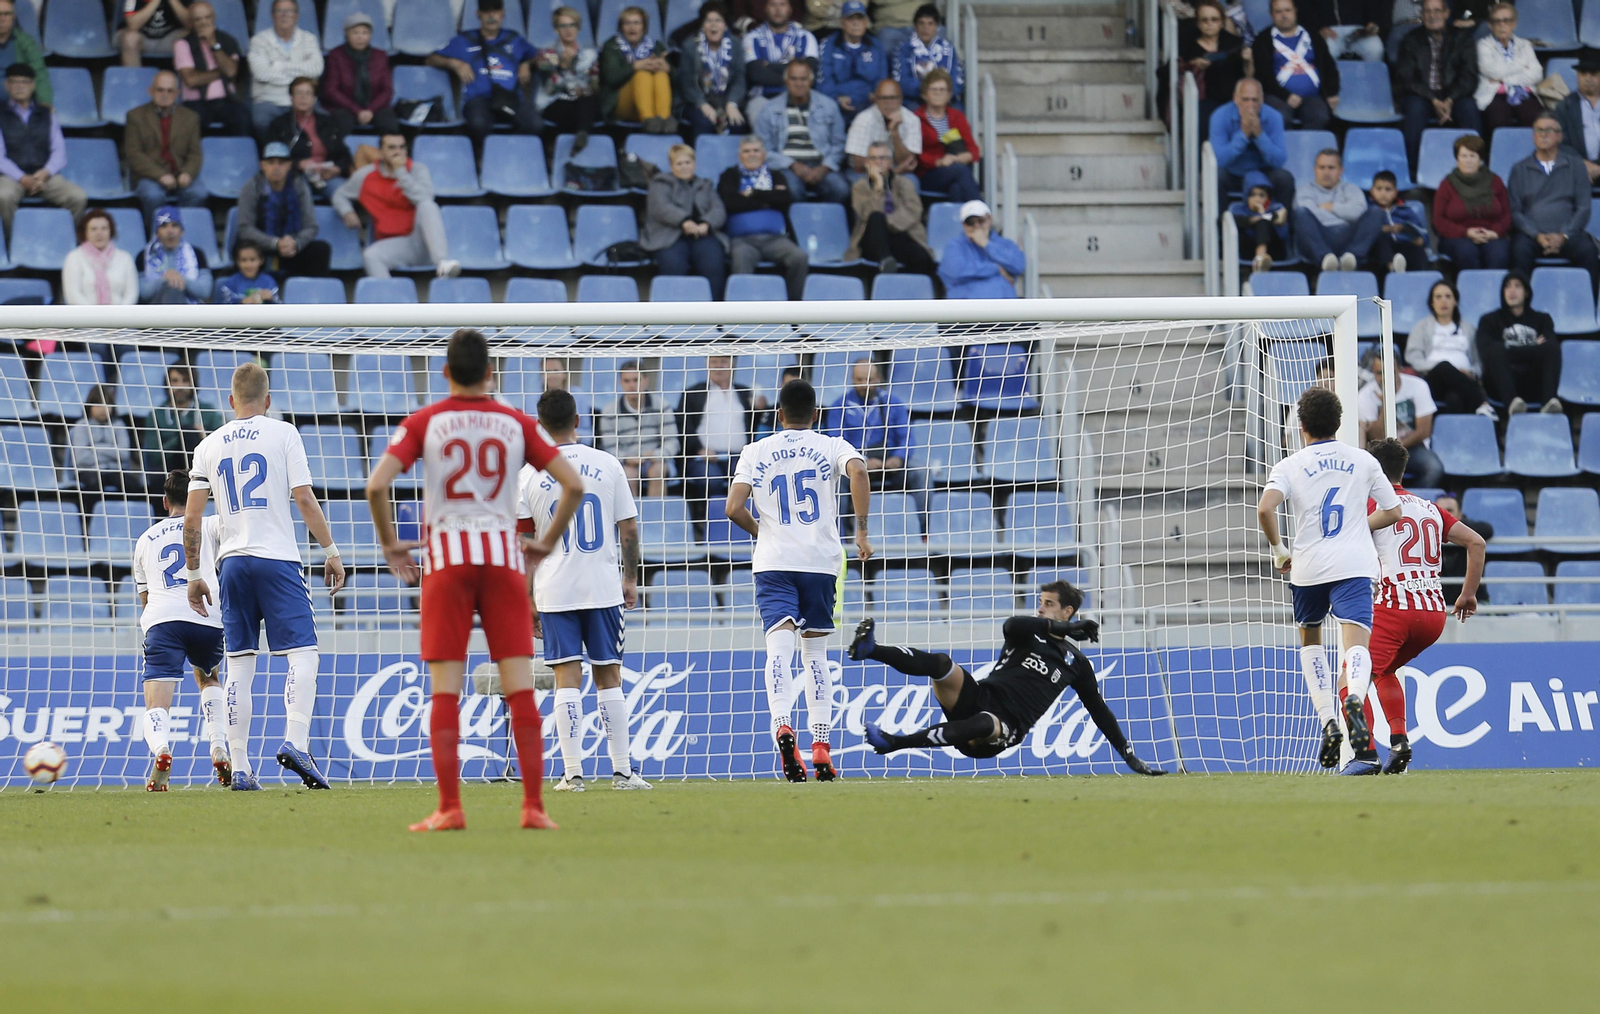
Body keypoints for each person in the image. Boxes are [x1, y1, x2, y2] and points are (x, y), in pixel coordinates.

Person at [366, 328, 584, 831]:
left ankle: (450, 808)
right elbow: (572, 484)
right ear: (490, 373)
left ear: (445, 372)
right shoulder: (516, 423)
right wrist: (545, 543)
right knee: (520, 688)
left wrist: (390, 544)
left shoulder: (426, 421)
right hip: (503, 562)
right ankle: (533, 808)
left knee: (445, 690)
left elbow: (377, 485)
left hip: (447, 563)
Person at [184, 362, 346, 791]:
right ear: (268, 400)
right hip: (276, 559)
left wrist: (195, 573)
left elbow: (193, 518)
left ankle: (240, 767)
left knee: (239, 663)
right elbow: (304, 498)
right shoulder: (283, 433)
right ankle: (295, 742)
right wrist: (330, 551)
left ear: (231, 400)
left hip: (231, 563)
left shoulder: (208, 445)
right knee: (304, 653)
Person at [853, 582, 1165, 773]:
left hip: (1005, 727)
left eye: (1049, 604)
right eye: (1040, 603)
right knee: (942, 664)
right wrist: (1066, 628)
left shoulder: (1077, 663)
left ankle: (895, 743)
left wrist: (1128, 755)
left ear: (1067, 610)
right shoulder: (1026, 634)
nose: (1040, 609)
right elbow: (1013, 624)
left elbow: (1099, 710)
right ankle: (871, 649)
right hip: (980, 697)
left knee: (985, 723)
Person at [726, 377, 871, 782]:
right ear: (817, 414)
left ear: (778, 414)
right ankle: (821, 745)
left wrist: (763, 533)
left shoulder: (756, 450)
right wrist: (861, 533)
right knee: (815, 655)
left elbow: (732, 508)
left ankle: (782, 726)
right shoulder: (832, 445)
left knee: (779, 648)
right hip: (820, 562)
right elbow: (859, 471)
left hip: (774, 561)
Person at [1256, 385, 1403, 769]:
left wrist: (1279, 550)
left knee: (1311, 641)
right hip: (1353, 564)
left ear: (1302, 426)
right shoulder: (1363, 460)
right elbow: (1394, 511)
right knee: (1356, 644)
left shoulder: (1289, 465)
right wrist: (1358, 527)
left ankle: (1328, 721)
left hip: (1308, 567)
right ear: (1339, 423)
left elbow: (1265, 509)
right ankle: (1353, 695)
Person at [517, 389, 651, 793]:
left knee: (566, 679)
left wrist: (526, 598)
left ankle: (572, 774)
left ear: (540, 427)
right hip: (602, 587)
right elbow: (628, 528)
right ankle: (623, 772)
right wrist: (631, 579)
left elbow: (522, 543)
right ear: (578, 421)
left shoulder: (528, 474)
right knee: (609, 676)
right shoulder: (608, 464)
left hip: (554, 590)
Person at [1359, 438, 1484, 775]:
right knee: (1383, 671)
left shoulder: (1373, 505)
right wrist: (1468, 594)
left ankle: (1363, 755)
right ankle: (1399, 741)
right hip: (1433, 615)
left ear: (1373, 472)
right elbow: (1476, 542)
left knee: (1350, 677)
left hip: (1395, 607)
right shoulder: (1430, 507)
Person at [132, 470, 230, 790]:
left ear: (165, 502)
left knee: (156, 704)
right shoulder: (210, 524)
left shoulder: (145, 540)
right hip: (206, 615)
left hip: (163, 620)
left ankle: (162, 750)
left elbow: (145, 598)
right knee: (209, 678)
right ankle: (218, 746)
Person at [333, 132, 461, 279]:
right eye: (392, 147)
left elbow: (425, 198)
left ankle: (442, 263)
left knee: (427, 206)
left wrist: (401, 172)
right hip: (394, 244)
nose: (398, 151)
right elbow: (340, 194)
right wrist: (347, 211)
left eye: (402, 147)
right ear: (380, 152)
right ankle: (388, 292)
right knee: (370, 255)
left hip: (424, 241)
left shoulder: (417, 170)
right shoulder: (365, 175)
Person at [430, 0, 541, 151]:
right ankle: (486, 157)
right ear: (478, 14)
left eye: (495, 11)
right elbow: (431, 59)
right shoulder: (465, 40)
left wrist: (527, 63)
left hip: (511, 99)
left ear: (502, 14)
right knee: (478, 123)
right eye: (486, 12)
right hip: (478, 100)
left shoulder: (514, 39)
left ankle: (514, 154)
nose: (491, 16)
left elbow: (540, 57)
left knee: (534, 123)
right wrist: (454, 63)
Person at [1506, 113, 1600, 290]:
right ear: (1533, 136)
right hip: (1531, 236)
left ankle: (1589, 304)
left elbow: (1583, 208)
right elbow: (1515, 211)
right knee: (1518, 251)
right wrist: (1536, 235)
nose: (1543, 135)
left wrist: (1563, 236)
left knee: (1588, 251)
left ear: (1559, 136)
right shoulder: (1519, 169)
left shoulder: (1576, 166)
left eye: (1549, 130)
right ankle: (1521, 306)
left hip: (1568, 234)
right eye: (1539, 130)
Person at [0, 63, 85, 241]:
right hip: (11, 177)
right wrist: (22, 177)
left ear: (33, 85)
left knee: (78, 197)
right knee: (3, 196)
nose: (20, 86)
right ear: (6, 85)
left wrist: (45, 172)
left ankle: (64, 243)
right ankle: (13, 244)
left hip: (45, 176)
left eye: (25, 82)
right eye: (14, 82)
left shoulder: (46, 113)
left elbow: (59, 151)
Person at [718, 134, 809, 299]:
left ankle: (794, 307)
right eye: (746, 151)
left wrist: (751, 193)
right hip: (743, 241)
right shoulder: (729, 175)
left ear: (764, 154)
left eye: (756, 150)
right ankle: (741, 311)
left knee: (799, 257)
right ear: (739, 155)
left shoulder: (776, 175)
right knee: (740, 260)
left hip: (776, 239)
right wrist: (767, 200)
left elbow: (784, 199)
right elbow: (729, 202)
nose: (751, 154)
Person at [1394, 0, 1480, 171]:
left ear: (1446, 13)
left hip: (1453, 95)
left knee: (1469, 108)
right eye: (1427, 11)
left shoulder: (1462, 39)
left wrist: (1450, 99)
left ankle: (1473, 168)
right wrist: (1433, 99)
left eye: (1437, 11)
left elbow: (1469, 76)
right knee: (1415, 109)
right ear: (1422, 15)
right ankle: (1412, 170)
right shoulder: (1411, 40)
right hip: (1422, 95)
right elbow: (1406, 78)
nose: (1432, 16)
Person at [754, 60, 849, 202]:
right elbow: (763, 150)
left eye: (803, 79)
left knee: (841, 189)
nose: (799, 84)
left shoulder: (829, 106)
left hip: (822, 166)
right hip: (786, 167)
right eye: (794, 79)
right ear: (786, 81)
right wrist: (792, 165)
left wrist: (824, 168)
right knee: (792, 190)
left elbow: (839, 144)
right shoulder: (769, 110)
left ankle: (822, 216)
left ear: (811, 81)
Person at [825, 359, 919, 500]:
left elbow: (907, 437)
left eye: (869, 380)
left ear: (878, 378)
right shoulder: (839, 406)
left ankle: (926, 515)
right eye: (860, 380)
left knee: (920, 472)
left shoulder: (893, 402)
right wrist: (861, 460)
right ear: (852, 379)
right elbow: (837, 443)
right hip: (855, 464)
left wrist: (898, 457)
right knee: (836, 477)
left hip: (890, 462)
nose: (865, 384)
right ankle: (840, 516)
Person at [644, 143, 729, 299]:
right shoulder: (660, 183)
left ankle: (715, 311)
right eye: (679, 163)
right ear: (671, 166)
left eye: (687, 162)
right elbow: (661, 207)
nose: (684, 167)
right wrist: (684, 221)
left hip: (703, 235)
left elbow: (718, 210)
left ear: (694, 163)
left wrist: (706, 224)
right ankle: (675, 312)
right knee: (674, 266)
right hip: (670, 237)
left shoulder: (706, 185)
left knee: (713, 264)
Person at [125, 70, 209, 227]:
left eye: (170, 91)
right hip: (149, 176)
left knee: (198, 193)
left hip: (180, 173)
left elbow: (195, 153)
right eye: (160, 90)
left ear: (177, 93)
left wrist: (188, 173)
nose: (165, 94)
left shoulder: (191, 117)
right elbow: (134, 154)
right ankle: (155, 234)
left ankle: (182, 233)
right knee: (153, 195)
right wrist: (160, 175)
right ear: (151, 91)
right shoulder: (135, 116)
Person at [677, 355, 756, 520]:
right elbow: (684, 426)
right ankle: (710, 520)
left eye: (723, 362)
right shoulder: (693, 393)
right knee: (710, 479)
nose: (718, 366)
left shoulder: (744, 392)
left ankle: (743, 521)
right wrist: (700, 449)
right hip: (703, 457)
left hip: (739, 456)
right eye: (714, 362)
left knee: (748, 478)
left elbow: (754, 425)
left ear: (732, 365)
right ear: (707, 365)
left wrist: (760, 408)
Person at [237, 140, 331, 278]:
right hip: (262, 246)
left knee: (321, 249)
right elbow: (245, 228)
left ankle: (311, 290)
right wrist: (275, 243)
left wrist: (296, 243)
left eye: (281, 163)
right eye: (271, 163)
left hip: (292, 246)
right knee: (242, 249)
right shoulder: (251, 187)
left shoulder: (299, 186)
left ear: (289, 165)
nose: (276, 167)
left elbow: (311, 227)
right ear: (262, 165)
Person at [1474, 271, 1562, 416]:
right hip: (1500, 386)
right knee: (1495, 350)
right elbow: (1486, 352)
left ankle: (1549, 402)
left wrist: (1508, 349)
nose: (1512, 291)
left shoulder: (1543, 319)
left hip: (1533, 383)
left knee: (1552, 347)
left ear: (1526, 292)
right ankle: (1512, 405)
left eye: (1517, 286)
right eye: (1507, 286)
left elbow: (1550, 349)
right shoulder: (1488, 320)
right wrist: (1533, 347)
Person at [1405, 278, 1494, 417]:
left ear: (1455, 301)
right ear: (1432, 302)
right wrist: (1439, 367)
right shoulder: (1421, 327)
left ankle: (1458, 431)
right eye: (1438, 297)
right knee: (1444, 366)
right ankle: (1482, 402)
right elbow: (1413, 358)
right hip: (1432, 380)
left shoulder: (1469, 329)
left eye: (1448, 296)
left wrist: (1471, 373)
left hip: (1462, 381)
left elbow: (1478, 363)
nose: (1443, 301)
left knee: (1454, 398)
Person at [1358, 350, 1443, 488]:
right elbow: (1376, 437)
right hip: (1382, 450)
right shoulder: (1365, 396)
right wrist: (1386, 402)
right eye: (1380, 373)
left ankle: (1414, 499)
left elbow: (1424, 431)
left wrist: (1398, 447)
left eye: (1390, 372)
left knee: (1434, 468)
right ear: (1373, 373)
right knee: (1370, 473)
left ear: (1400, 369)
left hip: (1413, 446)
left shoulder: (1418, 386)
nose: (1385, 377)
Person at [1251, 0, 1340, 131]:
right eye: (1278, 11)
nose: (1284, 15)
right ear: (1271, 14)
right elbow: (1263, 75)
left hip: (1313, 96)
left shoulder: (1312, 35)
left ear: (1295, 11)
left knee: (1320, 116)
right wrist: (1286, 96)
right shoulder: (1263, 40)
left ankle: (1309, 145)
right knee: (1280, 117)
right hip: (1278, 96)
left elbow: (1329, 66)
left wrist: (1332, 92)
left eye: (1288, 10)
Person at [847, 140, 933, 274]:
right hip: (871, 240)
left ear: (891, 162)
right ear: (867, 162)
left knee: (922, 257)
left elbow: (913, 211)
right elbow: (866, 215)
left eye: (882, 158)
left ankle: (907, 282)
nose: (878, 162)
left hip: (900, 235)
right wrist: (878, 189)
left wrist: (887, 222)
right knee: (876, 217)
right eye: (873, 158)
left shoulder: (905, 183)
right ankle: (886, 261)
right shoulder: (859, 187)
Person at [596, 360, 678, 498]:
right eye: (627, 381)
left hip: (656, 460)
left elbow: (673, 442)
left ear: (646, 380)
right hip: (625, 462)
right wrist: (627, 458)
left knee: (657, 471)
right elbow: (609, 447)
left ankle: (655, 511)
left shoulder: (662, 406)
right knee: (627, 474)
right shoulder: (609, 411)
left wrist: (657, 454)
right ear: (620, 383)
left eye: (636, 380)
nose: (632, 385)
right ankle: (632, 513)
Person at [1293, 148, 1383, 273]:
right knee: (1301, 213)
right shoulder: (1304, 190)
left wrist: (1332, 207)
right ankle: (1325, 259)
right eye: (1322, 167)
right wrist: (1345, 212)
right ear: (1315, 170)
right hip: (1319, 235)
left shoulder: (1352, 188)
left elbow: (1358, 212)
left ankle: (1351, 258)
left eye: (1331, 168)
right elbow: (1309, 215)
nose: (1326, 172)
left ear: (1341, 170)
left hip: (1349, 235)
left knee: (1376, 212)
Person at [1210, 78, 1295, 208]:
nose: (1251, 105)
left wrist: (1259, 135)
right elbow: (1219, 160)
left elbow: (1279, 160)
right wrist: (1243, 135)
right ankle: (1220, 220)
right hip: (1233, 173)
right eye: (1245, 99)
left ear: (1262, 99)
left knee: (1285, 178)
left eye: (1255, 100)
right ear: (1235, 98)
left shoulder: (1274, 117)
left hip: (1263, 173)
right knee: (1215, 177)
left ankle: (1283, 220)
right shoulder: (1220, 116)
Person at [1431, 133, 1509, 271]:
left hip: (1491, 234)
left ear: (1480, 159)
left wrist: (1495, 232)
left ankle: (1494, 285)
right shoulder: (1447, 185)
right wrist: (1466, 232)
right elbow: (1439, 220)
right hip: (1456, 237)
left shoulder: (1495, 181)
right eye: (1464, 156)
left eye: (1473, 156)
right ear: (1457, 159)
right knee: (1466, 252)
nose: (1468, 160)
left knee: (1499, 253)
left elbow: (1506, 214)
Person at [173, 1, 251, 137]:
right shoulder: (182, 44)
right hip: (195, 102)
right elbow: (191, 80)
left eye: (207, 17)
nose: (204, 22)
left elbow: (231, 72)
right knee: (190, 122)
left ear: (213, 18)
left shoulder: (228, 41)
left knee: (243, 117)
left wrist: (213, 43)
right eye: (198, 19)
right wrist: (221, 72)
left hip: (226, 100)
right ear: (191, 22)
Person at [247, 0, 323, 138]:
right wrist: (299, 75)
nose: (284, 15)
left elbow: (316, 69)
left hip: (303, 98)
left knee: (325, 121)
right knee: (261, 121)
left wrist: (277, 65)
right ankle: (273, 151)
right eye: (279, 11)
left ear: (296, 16)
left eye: (289, 11)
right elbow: (261, 73)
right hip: (269, 100)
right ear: (272, 15)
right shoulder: (258, 40)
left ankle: (302, 151)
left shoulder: (309, 39)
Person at [267, 76, 353, 196]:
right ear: (291, 97)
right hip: (297, 175)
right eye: (298, 93)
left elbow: (344, 155)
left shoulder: (328, 122)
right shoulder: (279, 125)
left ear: (314, 98)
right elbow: (272, 159)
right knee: (300, 192)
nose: (303, 97)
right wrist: (299, 164)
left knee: (344, 193)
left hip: (326, 175)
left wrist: (337, 169)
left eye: (308, 93)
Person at [1178, 0, 1248, 144]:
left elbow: (1247, 76)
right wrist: (1193, 66)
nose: (1209, 24)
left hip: (1234, 99)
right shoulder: (1188, 48)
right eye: (1204, 20)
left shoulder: (1235, 44)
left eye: (1214, 19)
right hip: (1203, 100)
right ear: (1198, 23)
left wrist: (1249, 61)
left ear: (1222, 22)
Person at [321, 11, 399, 140]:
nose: (360, 37)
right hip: (344, 107)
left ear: (370, 35)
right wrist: (357, 110)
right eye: (355, 33)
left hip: (374, 107)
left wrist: (370, 110)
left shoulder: (380, 56)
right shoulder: (336, 55)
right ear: (346, 34)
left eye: (365, 33)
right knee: (342, 122)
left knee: (389, 123)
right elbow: (331, 90)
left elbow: (387, 90)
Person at [677, 2, 747, 139]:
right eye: (708, 21)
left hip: (725, 100)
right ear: (702, 25)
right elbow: (686, 84)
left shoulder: (735, 44)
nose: (713, 25)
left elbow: (740, 79)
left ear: (725, 25)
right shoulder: (690, 46)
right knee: (705, 122)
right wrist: (702, 105)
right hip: (694, 102)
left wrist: (732, 103)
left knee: (737, 123)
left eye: (718, 20)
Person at [599, 5, 673, 132]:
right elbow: (611, 79)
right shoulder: (611, 46)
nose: (632, 27)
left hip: (654, 104)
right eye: (627, 23)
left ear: (644, 26)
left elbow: (679, 82)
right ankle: (649, 121)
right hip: (622, 104)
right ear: (621, 27)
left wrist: (668, 69)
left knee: (661, 74)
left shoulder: (657, 46)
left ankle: (664, 119)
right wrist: (635, 66)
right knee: (641, 74)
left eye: (636, 23)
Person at [743, 0, 819, 122]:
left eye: (782, 4)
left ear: (790, 9)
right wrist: (794, 72)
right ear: (766, 8)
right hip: (764, 98)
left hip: (800, 97)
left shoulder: (805, 37)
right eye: (773, 4)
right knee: (757, 111)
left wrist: (770, 66)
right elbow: (756, 74)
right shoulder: (752, 38)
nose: (778, 9)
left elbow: (809, 70)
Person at [1473, 2, 1541, 136]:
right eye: (1497, 21)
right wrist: (1522, 66)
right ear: (1490, 25)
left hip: (1523, 93)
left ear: (1514, 24)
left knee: (1533, 118)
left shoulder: (1525, 45)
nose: (1502, 25)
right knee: (1498, 121)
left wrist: (1503, 79)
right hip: (1495, 94)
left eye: (1507, 20)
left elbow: (1537, 73)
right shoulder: (1483, 45)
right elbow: (1492, 71)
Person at [144, 363, 222, 479]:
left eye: (185, 381)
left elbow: (221, 448)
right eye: (175, 381)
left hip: (201, 472)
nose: (180, 386)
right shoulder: (156, 415)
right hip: (168, 475)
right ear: (167, 384)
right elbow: (153, 456)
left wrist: (204, 438)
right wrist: (180, 436)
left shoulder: (207, 411)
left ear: (193, 383)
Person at [535, 6, 600, 140]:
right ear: (556, 29)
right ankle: (582, 134)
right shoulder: (547, 54)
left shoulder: (590, 54)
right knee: (580, 109)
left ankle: (581, 136)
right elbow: (549, 90)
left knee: (589, 101)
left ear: (578, 27)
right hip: (555, 102)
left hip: (583, 103)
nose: (568, 30)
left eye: (572, 25)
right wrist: (563, 66)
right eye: (563, 26)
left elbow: (596, 85)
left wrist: (585, 90)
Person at [939, 199, 1025, 298]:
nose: (976, 226)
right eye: (970, 222)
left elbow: (1018, 265)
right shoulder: (954, 246)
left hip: (1002, 303)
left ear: (989, 219)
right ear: (964, 225)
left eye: (981, 220)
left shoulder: (1005, 244)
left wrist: (986, 244)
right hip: (967, 303)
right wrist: (997, 269)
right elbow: (955, 272)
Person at [913, 68, 977, 201]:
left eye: (942, 90)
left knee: (957, 188)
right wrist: (939, 162)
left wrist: (959, 158)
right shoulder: (916, 118)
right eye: (933, 90)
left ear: (949, 95)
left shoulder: (957, 117)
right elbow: (916, 154)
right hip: (928, 174)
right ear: (924, 94)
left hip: (955, 169)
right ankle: (982, 211)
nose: (938, 93)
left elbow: (974, 151)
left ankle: (967, 215)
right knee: (961, 171)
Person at [818, 1, 886, 124]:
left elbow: (882, 77)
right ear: (842, 23)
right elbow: (823, 80)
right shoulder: (829, 45)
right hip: (837, 104)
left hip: (869, 103)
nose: (856, 23)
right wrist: (838, 99)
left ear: (866, 22)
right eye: (850, 19)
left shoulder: (876, 45)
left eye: (860, 18)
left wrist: (876, 94)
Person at [68, 385, 140, 493]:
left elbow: (124, 454)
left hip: (116, 470)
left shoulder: (119, 425)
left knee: (132, 485)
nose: (103, 409)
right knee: (94, 484)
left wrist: (95, 448)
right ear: (89, 406)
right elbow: (81, 458)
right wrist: (112, 450)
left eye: (107, 404)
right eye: (98, 404)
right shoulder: (81, 426)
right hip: (89, 471)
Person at [62, 209, 138, 306]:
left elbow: (132, 293)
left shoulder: (125, 258)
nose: (99, 233)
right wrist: (95, 314)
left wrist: (118, 314)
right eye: (93, 229)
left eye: (104, 228)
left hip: (121, 314)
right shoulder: (74, 258)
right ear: (85, 233)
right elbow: (73, 294)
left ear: (111, 231)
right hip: (84, 314)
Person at [846, 78, 919, 179]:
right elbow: (859, 164)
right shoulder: (863, 119)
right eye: (883, 98)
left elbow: (907, 161)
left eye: (893, 98)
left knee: (912, 180)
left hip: (899, 171)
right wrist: (892, 172)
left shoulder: (912, 120)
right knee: (872, 184)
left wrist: (895, 133)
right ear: (876, 100)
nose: (889, 102)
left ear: (901, 99)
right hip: (865, 172)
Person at [137, 205, 212, 304]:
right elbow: (143, 293)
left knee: (174, 289)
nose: (170, 231)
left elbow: (205, 291)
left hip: (190, 309)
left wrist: (181, 279)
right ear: (157, 233)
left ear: (182, 231)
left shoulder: (197, 254)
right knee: (172, 290)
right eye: (164, 226)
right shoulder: (143, 256)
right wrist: (164, 279)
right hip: (156, 309)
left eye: (175, 225)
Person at [893, 4, 962, 107]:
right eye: (921, 23)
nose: (926, 28)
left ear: (937, 27)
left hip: (945, 100)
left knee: (958, 110)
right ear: (915, 26)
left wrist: (940, 93)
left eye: (930, 24)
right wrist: (929, 90)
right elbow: (901, 82)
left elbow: (958, 81)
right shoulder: (904, 48)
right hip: (915, 101)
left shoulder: (948, 48)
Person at [1435, 492, 1492, 605]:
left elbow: (1488, 530)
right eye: (1440, 511)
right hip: (1438, 603)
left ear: (1460, 514)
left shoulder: (1473, 532)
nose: (1444, 515)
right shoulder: (1425, 532)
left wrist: (1455, 527)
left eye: (1449, 511)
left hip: (1473, 604)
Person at [1368, 170, 1429, 274]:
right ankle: (1393, 268)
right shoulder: (1369, 209)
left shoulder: (1404, 209)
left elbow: (1421, 230)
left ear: (1395, 192)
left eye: (1388, 189)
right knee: (1381, 241)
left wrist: (1421, 239)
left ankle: (1421, 278)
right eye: (1379, 189)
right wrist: (1386, 229)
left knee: (1418, 251)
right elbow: (1365, 231)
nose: (1383, 193)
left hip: (1404, 243)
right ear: (1372, 191)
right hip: (1381, 248)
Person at [1556, 48, 1600, 187]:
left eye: (1593, 74)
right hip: (1576, 168)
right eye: (1583, 73)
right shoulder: (1565, 106)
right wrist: (1582, 164)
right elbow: (1560, 142)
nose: (1588, 78)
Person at [117, 0, 193, 68]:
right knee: (130, 39)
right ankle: (133, 77)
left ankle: (187, 77)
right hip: (142, 38)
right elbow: (133, 26)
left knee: (189, 36)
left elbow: (190, 24)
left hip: (170, 38)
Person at [1232, 183, 1288, 274]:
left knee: (1263, 222)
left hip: (1273, 251)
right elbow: (1225, 221)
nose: (1257, 199)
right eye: (1252, 195)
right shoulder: (1238, 209)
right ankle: (1260, 261)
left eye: (1261, 195)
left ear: (1268, 198)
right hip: (1248, 250)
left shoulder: (1276, 208)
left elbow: (1283, 235)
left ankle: (1260, 260)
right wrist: (1255, 219)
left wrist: (1262, 215)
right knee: (1257, 222)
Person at [0, 0, 48, 106]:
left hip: (16, 107)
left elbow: (39, 73)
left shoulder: (26, 42)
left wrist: (44, 102)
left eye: (7, 14)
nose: (2, 19)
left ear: (13, 16)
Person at [214, 241, 280, 304]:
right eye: (244, 260)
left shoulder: (269, 282)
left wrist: (271, 299)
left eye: (252, 260)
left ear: (261, 260)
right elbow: (222, 308)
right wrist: (241, 302)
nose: (248, 265)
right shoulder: (230, 284)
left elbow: (280, 308)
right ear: (237, 262)